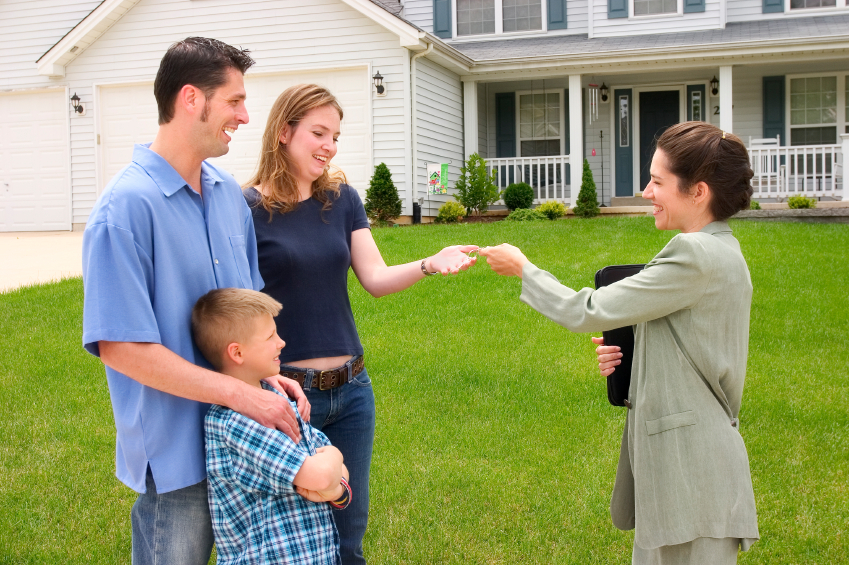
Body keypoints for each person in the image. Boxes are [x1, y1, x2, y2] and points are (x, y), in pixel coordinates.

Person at [479, 122, 759, 564]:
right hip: (689, 470)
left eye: (658, 181)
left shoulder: (695, 254)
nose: (646, 191)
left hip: (691, 471)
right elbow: (693, 338)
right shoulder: (722, 250)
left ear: (698, 191)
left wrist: (523, 269)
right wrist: (634, 359)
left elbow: (586, 310)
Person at [81, 38, 309, 565]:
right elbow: (122, 348)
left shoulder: (229, 195)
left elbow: (248, 316)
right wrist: (243, 397)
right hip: (177, 456)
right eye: (234, 101)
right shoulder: (124, 209)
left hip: (240, 447)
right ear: (190, 99)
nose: (245, 116)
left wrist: (266, 378)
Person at [243, 83, 477, 564]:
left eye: (336, 136)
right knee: (291, 544)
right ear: (284, 132)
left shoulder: (342, 199)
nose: (329, 145)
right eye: (319, 132)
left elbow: (374, 277)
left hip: (352, 392)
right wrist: (263, 380)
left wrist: (431, 262)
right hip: (288, 395)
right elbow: (236, 310)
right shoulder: (246, 209)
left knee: (349, 539)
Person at [193, 288, 350, 565]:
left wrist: (336, 488)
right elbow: (321, 473)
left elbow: (334, 476)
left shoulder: (275, 398)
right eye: (270, 337)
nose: (281, 342)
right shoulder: (237, 423)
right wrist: (335, 459)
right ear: (237, 352)